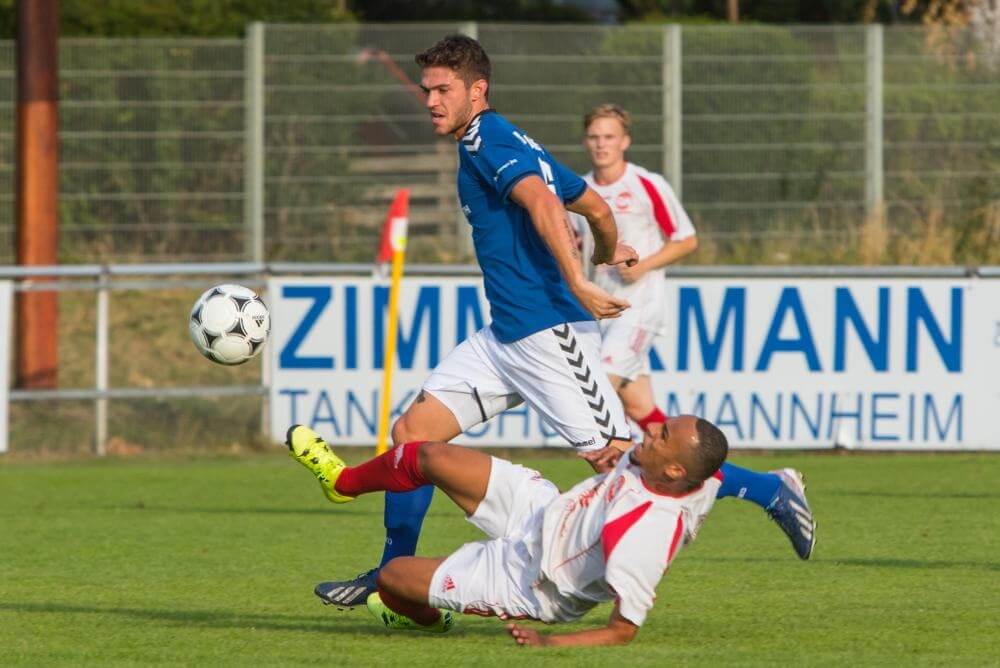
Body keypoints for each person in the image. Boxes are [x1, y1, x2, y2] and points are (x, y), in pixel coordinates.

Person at [313, 34, 642, 610]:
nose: (431, 101)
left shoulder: (490, 139)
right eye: (427, 91)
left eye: (443, 90)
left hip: (549, 331)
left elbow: (544, 203)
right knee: (413, 435)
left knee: (617, 459)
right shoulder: (505, 138)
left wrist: (580, 282)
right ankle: (395, 581)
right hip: (504, 337)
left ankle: (765, 489)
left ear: (477, 90)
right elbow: (594, 207)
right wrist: (605, 251)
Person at [572, 104, 817, 560]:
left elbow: (687, 239)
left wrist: (642, 265)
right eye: (594, 137)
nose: (602, 144)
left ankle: (619, 501)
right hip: (601, 316)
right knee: (643, 414)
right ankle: (768, 487)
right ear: (586, 141)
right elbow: (578, 248)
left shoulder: (646, 185)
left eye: (610, 136)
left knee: (595, 394)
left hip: (639, 311)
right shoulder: (580, 191)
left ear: (625, 141)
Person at [286, 415, 729, 646]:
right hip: (542, 510)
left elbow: (622, 630)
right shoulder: (680, 470)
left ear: (672, 469)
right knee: (428, 455)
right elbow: (719, 473)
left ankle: (425, 618)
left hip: (532, 582)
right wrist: (777, 485)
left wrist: (548, 646)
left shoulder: (644, 538)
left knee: (392, 578)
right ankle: (342, 482)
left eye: (663, 434)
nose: (650, 429)